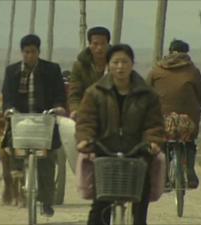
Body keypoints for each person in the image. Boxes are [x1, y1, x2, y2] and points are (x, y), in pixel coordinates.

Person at [76, 44, 164, 225]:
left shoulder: (148, 95)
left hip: (137, 152)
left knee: (141, 196)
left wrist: (152, 141)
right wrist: (85, 138)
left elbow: (154, 124)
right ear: (109, 64)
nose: (120, 66)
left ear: (132, 64)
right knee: (100, 203)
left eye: (125, 62)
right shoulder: (95, 92)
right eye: (115, 62)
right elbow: (86, 120)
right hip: (105, 151)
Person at [2, 34, 66, 217]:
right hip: (20, 121)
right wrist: (8, 109)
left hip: (44, 122)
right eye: (26, 52)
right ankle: (17, 182)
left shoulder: (51, 70)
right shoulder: (12, 71)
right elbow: (7, 96)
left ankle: (46, 201)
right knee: (12, 150)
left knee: (47, 162)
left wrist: (59, 107)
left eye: (33, 52)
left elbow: (59, 94)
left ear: (39, 52)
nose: (30, 55)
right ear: (22, 52)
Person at [147, 39, 201, 189]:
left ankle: (165, 176)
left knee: (162, 143)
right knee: (190, 141)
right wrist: (198, 105)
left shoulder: (156, 70)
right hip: (188, 120)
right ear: (186, 53)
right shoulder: (193, 71)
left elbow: (146, 92)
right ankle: (190, 171)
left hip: (164, 118)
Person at [68, 26, 110, 120]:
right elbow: (75, 94)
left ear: (108, 44)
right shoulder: (80, 66)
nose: (99, 48)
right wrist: (75, 110)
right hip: (86, 112)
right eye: (95, 44)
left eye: (103, 44)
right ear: (89, 45)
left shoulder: (116, 64)